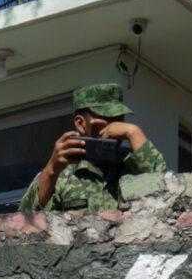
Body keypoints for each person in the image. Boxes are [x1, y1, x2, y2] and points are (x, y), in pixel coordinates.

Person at [20, 83, 168, 214]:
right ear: (80, 124)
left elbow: (170, 193)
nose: (114, 129)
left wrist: (134, 132)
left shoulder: (135, 166)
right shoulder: (64, 176)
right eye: (105, 121)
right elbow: (24, 220)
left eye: (119, 121)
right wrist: (52, 170)